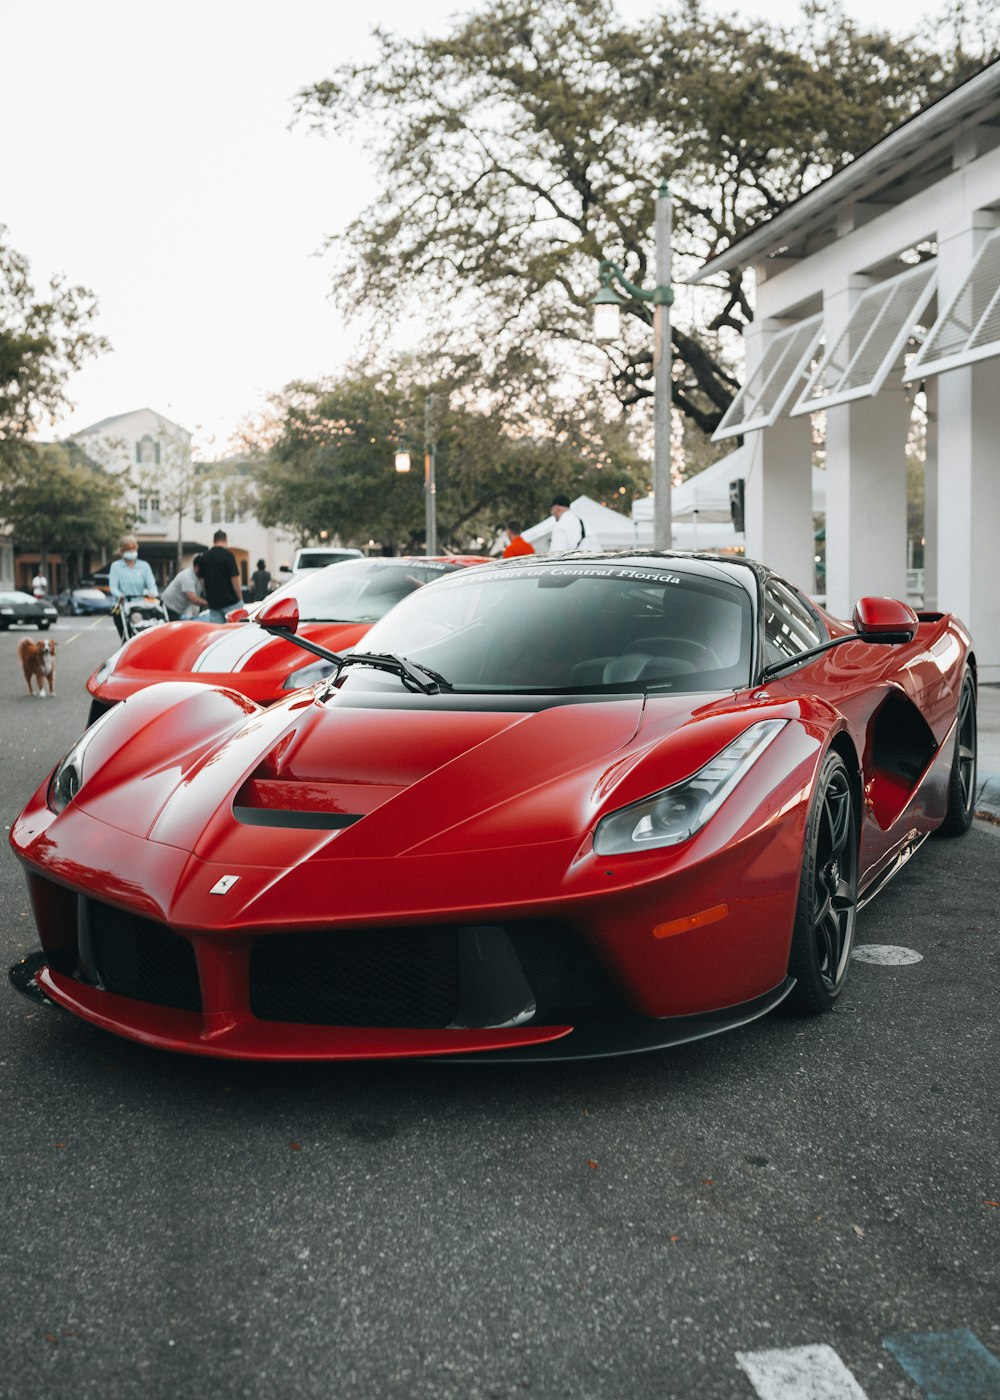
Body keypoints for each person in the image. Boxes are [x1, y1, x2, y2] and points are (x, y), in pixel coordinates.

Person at [108, 536, 159, 639]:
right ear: (122, 551)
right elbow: (113, 587)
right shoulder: (116, 566)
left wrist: (152, 593)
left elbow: (152, 586)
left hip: (141, 605)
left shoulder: (144, 566)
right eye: (128, 549)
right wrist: (120, 595)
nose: (131, 551)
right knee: (126, 632)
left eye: (133, 549)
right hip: (124, 605)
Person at [200, 529, 242, 623]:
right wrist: (240, 598)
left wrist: (208, 597)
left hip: (214, 603)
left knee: (218, 633)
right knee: (234, 632)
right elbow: (234, 579)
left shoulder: (204, 557)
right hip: (231, 602)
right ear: (225, 541)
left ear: (214, 541)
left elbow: (202, 581)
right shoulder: (228, 555)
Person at [161, 554, 207, 621]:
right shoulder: (187, 576)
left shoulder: (197, 576)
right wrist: (209, 603)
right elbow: (193, 599)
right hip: (169, 607)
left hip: (180, 609)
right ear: (197, 567)